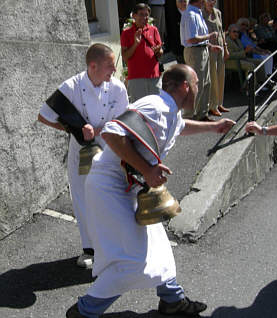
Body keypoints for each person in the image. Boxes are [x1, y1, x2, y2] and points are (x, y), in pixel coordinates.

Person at [65, 64, 235, 318]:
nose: (200, 88)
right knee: (133, 260)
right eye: (197, 83)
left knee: (160, 248)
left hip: (128, 188)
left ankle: (173, 300)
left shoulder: (169, 111)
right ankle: (84, 311)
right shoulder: (155, 105)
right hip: (108, 188)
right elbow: (112, 132)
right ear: (185, 86)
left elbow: (179, 126)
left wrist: (213, 126)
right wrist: (146, 170)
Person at [38, 43, 129, 268]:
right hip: (81, 152)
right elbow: (43, 115)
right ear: (93, 66)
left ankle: (113, 245)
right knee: (83, 198)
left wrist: (97, 131)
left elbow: (124, 120)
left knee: (110, 195)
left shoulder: (117, 88)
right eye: (109, 66)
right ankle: (89, 249)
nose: (114, 71)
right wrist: (74, 129)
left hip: (109, 149)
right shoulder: (71, 86)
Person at [180, 0, 222, 120]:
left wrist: (209, 46)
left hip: (201, 50)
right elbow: (191, 39)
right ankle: (188, 116)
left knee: (206, 83)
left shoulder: (197, 13)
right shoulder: (190, 15)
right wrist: (210, 36)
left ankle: (202, 114)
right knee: (196, 84)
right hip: (195, 52)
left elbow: (197, 38)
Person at [121, 3, 163, 103]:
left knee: (156, 106)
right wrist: (136, 44)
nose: (144, 17)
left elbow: (160, 53)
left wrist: (158, 51)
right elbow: (125, 56)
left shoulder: (154, 30)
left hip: (154, 77)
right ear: (134, 16)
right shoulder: (126, 33)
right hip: (136, 78)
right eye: (141, 14)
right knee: (140, 110)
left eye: (146, 14)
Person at [203, 0, 230, 117]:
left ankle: (219, 103)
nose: (211, 2)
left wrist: (226, 47)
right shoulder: (201, 14)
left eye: (213, 0)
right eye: (209, 0)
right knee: (213, 76)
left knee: (221, 75)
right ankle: (212, 106)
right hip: (210, 48)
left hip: (220, 46)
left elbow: (222, 31)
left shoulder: (218, 12)